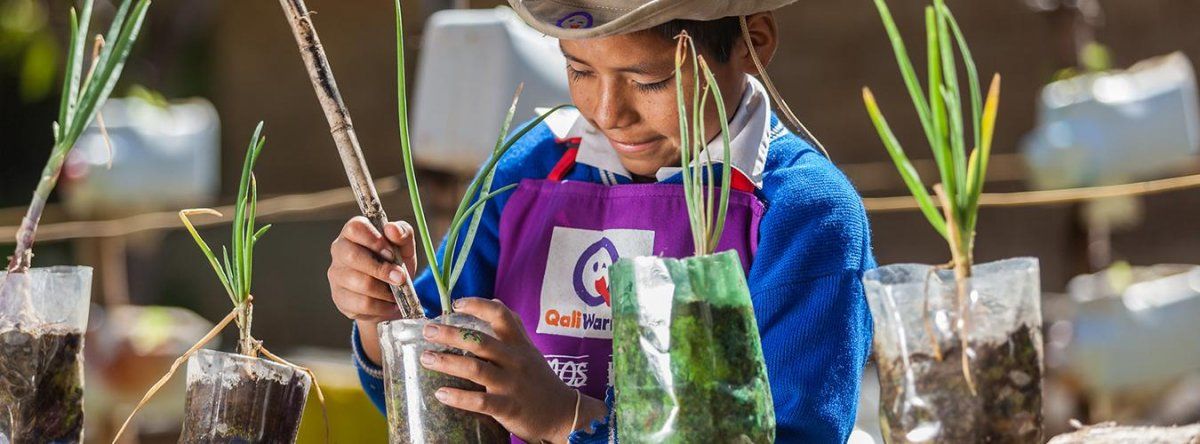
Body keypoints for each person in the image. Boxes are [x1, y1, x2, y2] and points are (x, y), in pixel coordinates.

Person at [328, 0, 874, 442]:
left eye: (650, 80)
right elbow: (439, 394)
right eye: (579, 70)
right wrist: (379, 317)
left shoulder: (805, 211)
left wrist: (567, 417)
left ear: (753, 41)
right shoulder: (530, 168)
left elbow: (800, 432)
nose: (608, 112)